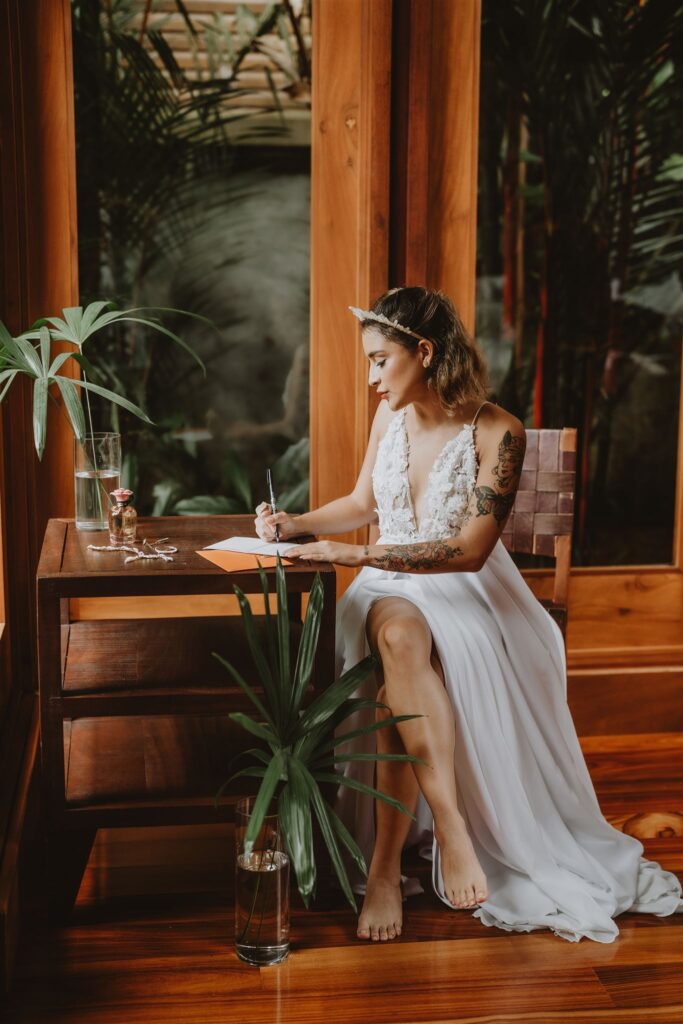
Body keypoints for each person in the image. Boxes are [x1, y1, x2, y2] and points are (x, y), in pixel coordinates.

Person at [254, 286, 682, 944]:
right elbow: (362, 502)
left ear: (423, 352)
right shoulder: (387, 421)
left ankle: (389, 866)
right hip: (386, 588)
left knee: (401, 657)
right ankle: (447, 830)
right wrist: (297, 524)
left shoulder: (498, 431)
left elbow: (468, 550)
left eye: (379, 361)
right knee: (397, 634)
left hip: (467, 591)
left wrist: (350, 551)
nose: (370, 379)